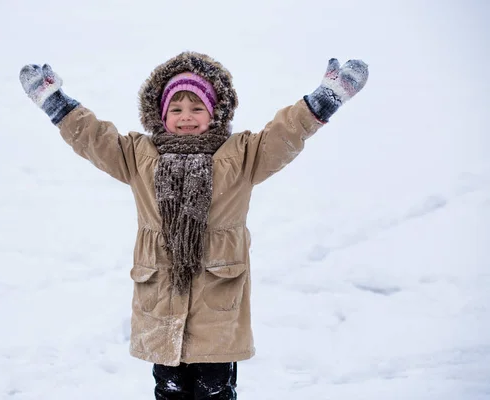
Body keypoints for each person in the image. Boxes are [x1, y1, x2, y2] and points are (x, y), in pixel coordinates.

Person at [19, 51, 368, 399]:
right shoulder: (139, 157)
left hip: (217, 304)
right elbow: (94, 138)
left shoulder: (242, 156)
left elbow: (285, 134)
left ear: (215, 112)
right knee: (168, 391)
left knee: (214, 392)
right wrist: (56, 104)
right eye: (177, 109)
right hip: (160, 303)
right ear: (160, 113)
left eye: (197, 108)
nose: (186, 117)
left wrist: (324, 99)